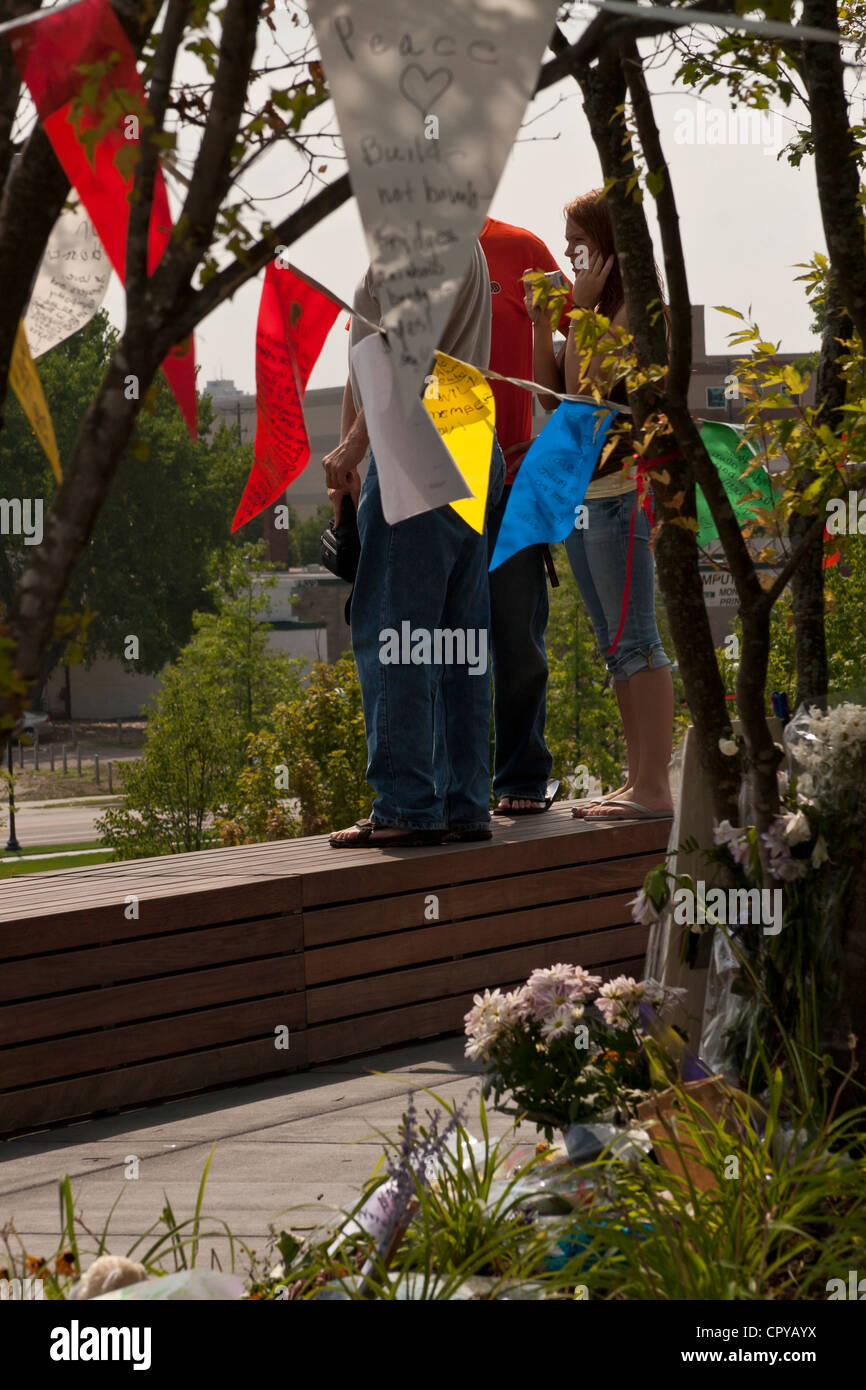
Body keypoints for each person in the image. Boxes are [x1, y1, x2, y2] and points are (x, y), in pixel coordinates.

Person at [323, 240, 505, 847]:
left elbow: (402, 356)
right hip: (468, 434)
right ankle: (463, 804)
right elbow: (374, 356)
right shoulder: (459, 238)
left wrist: (352, 449)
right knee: (456, 637)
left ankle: (405, 803)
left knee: (393, 632)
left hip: (416, 442)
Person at [527, 189, 674, 820]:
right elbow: (549, 403)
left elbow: (586, 400)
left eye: (577, 243)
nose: (565, 253)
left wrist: (579, 315)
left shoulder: (639, 313)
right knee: (613, 645)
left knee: (638, 639)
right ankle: (636, 780)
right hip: (583, 500)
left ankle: (655, 789)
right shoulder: (592, 315)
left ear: (609, 247)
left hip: (621, 498)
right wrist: (543, 324)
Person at [476, 216, 571, 816]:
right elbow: (368, 356)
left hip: (511, 481)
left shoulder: (520, 250)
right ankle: (446, 783)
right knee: (436, 645)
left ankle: (521, 778)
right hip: (435, 486)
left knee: (517, 640)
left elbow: (584, 335)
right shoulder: (407, 255)